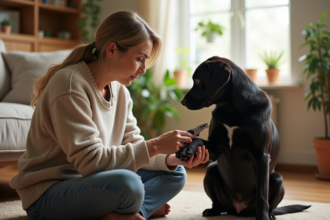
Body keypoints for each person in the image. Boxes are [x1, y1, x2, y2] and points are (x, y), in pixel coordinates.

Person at [9, 10, 209, 220]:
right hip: (49, 195)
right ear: (112, 49)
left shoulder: (120, 91)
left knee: (175, 172)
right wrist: (156, 145)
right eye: (140, 59)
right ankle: (128, 210)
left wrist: (172, 158)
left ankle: (129, 213)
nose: (143, 70)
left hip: (93, 182)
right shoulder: (70, 85)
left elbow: (132, 145)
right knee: (128, 184)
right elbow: (90, 162)